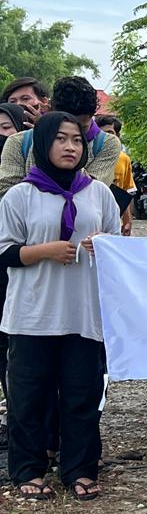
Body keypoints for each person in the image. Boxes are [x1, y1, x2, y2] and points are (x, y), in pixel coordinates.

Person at [0, 112, 121, 500]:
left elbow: (121, 249)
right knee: (29, 397)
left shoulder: (98, 193)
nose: (70, 147)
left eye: (77, 140)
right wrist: (44, 252)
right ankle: (28, 470)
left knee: (82, 395)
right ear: (42, 145)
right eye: (61, 139)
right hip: (32, 314)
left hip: (83, 313)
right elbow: (4, 251)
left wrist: (102, 243)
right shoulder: (20, 195)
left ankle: (80, 469)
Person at [0, 77, 123, 196]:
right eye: (63, 130)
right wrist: (42, 139)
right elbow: (6, 191)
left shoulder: (108, 144)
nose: (75, 133)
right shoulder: (18, 142)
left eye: (81, 128)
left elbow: (91, 191)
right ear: (50, 111)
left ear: (92, 114)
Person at [0, 102, 27, 448]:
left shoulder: (22, 193)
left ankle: (18, 420)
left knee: (11, 347)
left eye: (7, 127)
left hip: (11, 271)